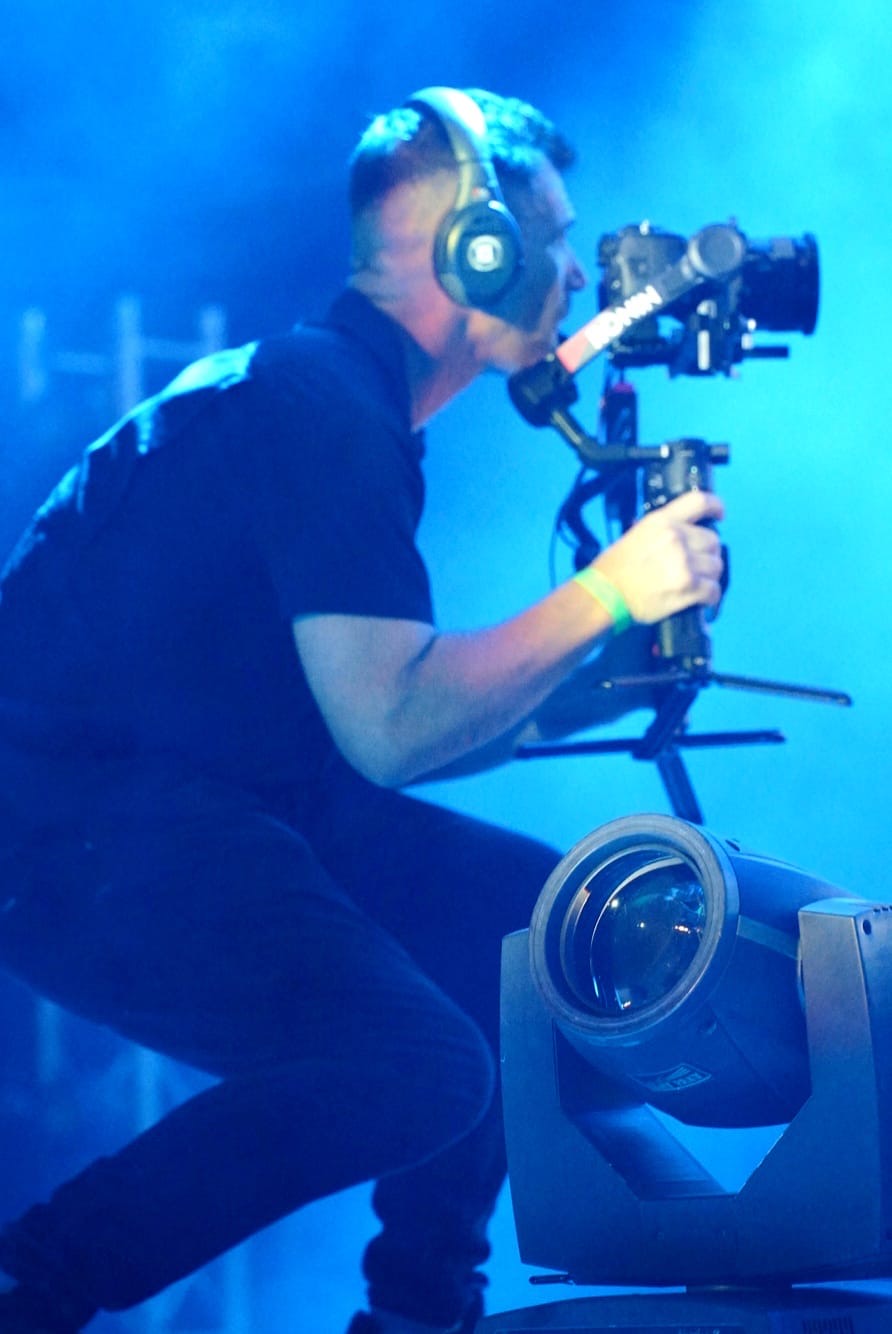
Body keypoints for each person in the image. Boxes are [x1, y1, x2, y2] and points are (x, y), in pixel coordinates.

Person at [0, 86, 724, 1333]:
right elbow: (392, 725)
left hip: (190, 806)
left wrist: (595, 677)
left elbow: (384, 730)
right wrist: (612, 588)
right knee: (415, 1062)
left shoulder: (323, 394)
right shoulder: (323, 405)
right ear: (474, 245)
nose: (572, 272)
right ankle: (32, 1281)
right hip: (75, 832)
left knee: (528, 933)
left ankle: (419, 1314)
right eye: (553, 235)